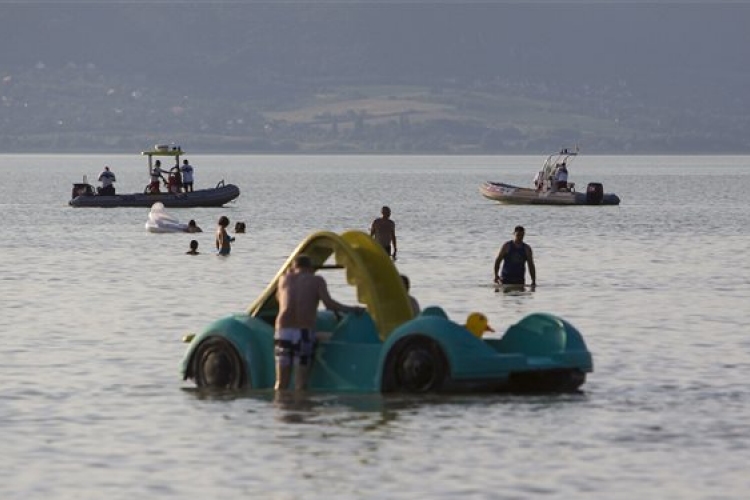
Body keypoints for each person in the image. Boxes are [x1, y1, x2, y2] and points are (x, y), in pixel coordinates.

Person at [274, 254, 364, 391]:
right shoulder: (316, 280)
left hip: (283, 332)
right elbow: (329, 304)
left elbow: (279, 299)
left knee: (281, 383)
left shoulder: (283, 280)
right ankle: (301, 410)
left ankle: (279, 411)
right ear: (310, 268)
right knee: (300, 383)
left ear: (293, 267)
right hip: (303, 332)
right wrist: (351, 309)